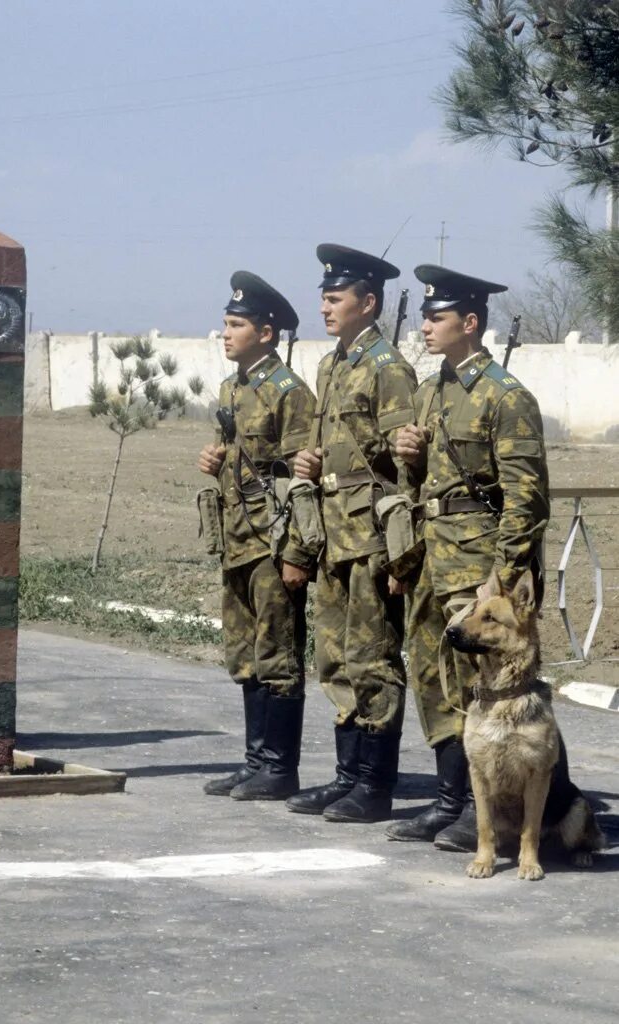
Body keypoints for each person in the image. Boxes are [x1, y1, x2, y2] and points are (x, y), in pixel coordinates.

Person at [386, 264, 550, 849]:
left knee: (478, 684)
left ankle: (489, 814)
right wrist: (408, 452)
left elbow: (526, 496)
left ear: (471, 322)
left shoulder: (506, 396)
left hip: (479, 565)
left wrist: (500, 583)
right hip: (434, 555)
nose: (426, 326)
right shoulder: (434, 389)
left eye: (438, 316)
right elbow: (427, 479)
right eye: (426, 316)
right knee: (433, 676)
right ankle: (451, 801)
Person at [286, 244, 417, 823]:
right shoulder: (332, 365)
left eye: (335, 298)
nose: (324, 307)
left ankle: (375, 783)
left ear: (368, 303)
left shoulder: (389, 370)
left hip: (369, 539)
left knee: (374, 660)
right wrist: (313, 462)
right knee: (336, 660)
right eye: (322, 297)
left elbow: (407, 466)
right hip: (333, 536)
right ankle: (346, 777)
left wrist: (402, 557)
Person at [198, 271, 316, 801]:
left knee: (278, 653)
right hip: (237, 539)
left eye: (236, 324)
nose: (226, 333)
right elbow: (235, 451)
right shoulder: (233, 387)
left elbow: (300, 480)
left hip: (272, 541)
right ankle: (254, 761)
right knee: (245, 653)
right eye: (225, 323)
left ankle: (279, 768)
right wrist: (214, 458)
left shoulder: (289, 392)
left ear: (265, 333)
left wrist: (296, 554)